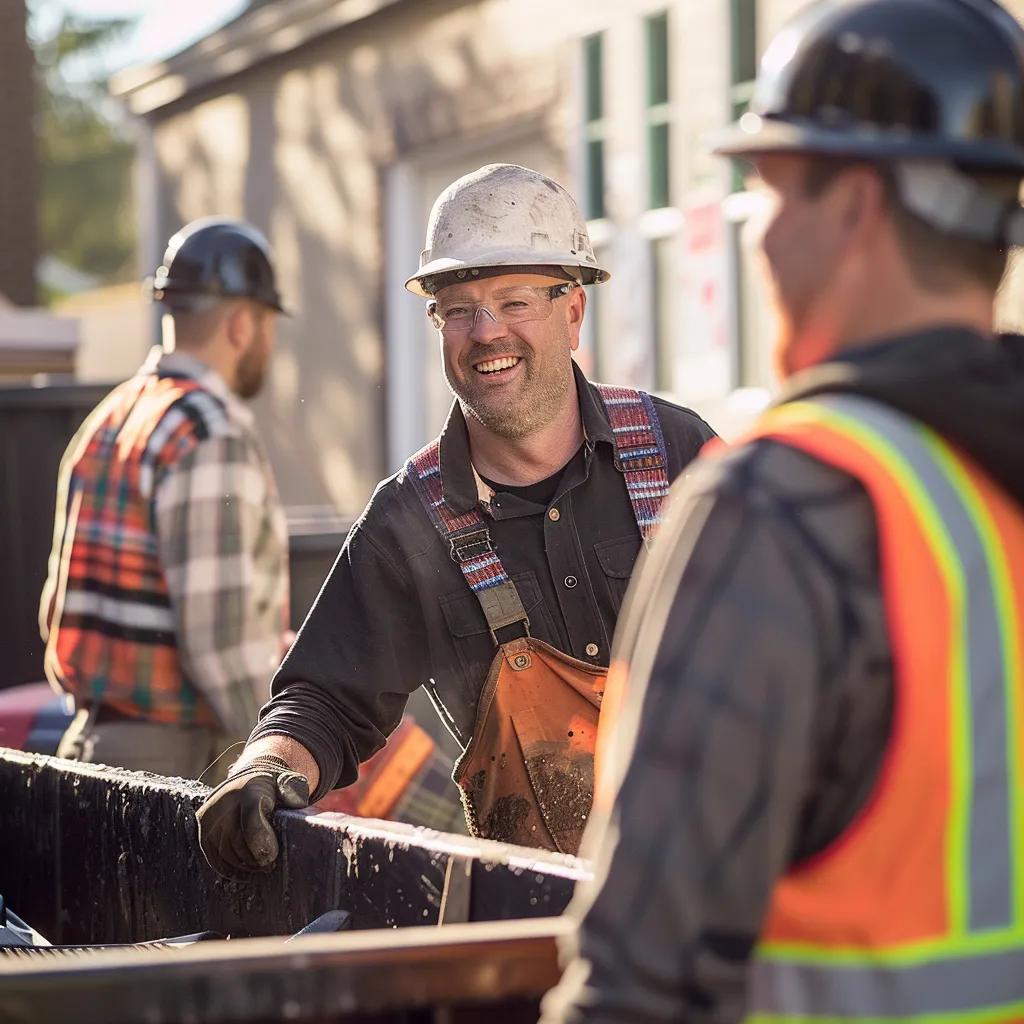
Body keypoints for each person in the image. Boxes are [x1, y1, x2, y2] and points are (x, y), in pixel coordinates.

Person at [542, 0, 1024, 1021]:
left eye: (767, 191)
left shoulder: (780, 506)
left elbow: (638, 976)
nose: (755, 234)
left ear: (852, 205)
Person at [195, 163, 716, 877]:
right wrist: (264, 766)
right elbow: (323, 697)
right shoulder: (412, 521)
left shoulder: (682, 454)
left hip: (727, 889)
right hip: (537, 924)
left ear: (573, 312)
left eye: (514, 301)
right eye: (459, 308)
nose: (485, 332)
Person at [39, 217, 290, 781]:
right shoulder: (210, 431)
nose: (270, 343)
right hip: (175, 763)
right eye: (270, 324)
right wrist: (284, 757)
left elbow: (54, 608)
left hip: (86, 746)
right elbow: (221, 645)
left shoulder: (111, 417)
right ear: (242, 324)